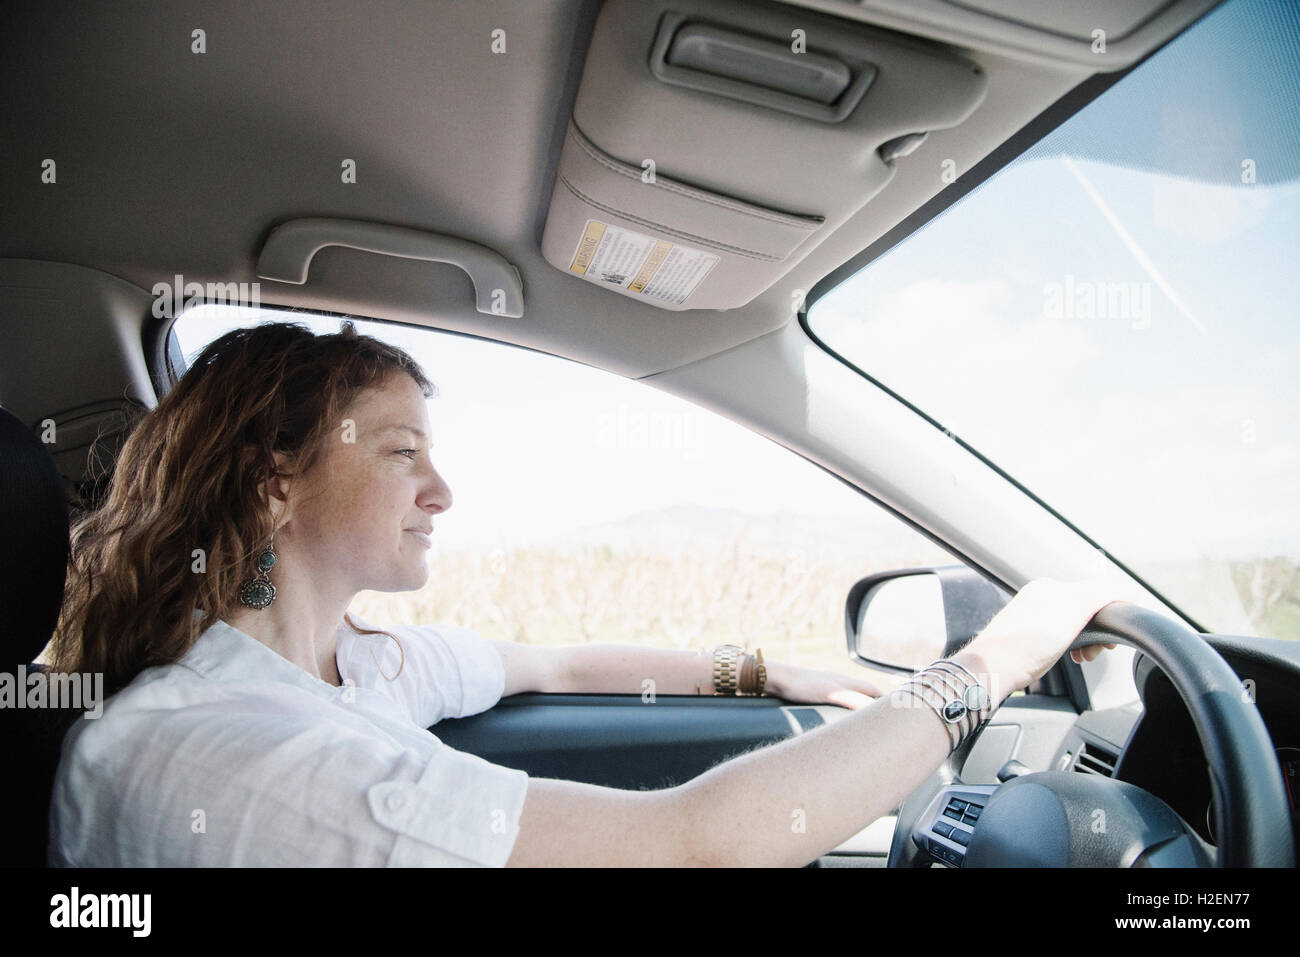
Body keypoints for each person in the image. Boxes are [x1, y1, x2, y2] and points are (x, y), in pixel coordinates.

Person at [43, 320, 1118, 867]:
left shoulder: (353, 667)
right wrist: (983, 671)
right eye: (399, 454)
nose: (442, 490)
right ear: (277, 486)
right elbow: (695, 847)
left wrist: (772, 670)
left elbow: (555, 664)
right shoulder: (221, 750)